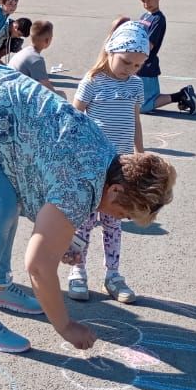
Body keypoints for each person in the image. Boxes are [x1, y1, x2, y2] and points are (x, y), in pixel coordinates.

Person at [0, 61, 177, 354]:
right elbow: (38, 266)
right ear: (116, 190)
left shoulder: (107, 158)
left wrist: (61, 242)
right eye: (124, 213)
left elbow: (49, 184)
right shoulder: (82, 187)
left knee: (7, 202)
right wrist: (65, 326)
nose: (118, 218)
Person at [63, 20, 150, 304]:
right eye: (126, 62)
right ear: (111, 51)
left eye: (137, 65)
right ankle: (78, 270)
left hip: (120, 168)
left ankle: (113, 274)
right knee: (85, 222)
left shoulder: (135, 86)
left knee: (114, 222)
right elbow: (74, 118)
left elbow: (134, 120)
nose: (130, 69)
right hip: (91, 167)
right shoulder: (93, 81)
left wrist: (140, 153)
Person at [135, 0, 196, 114]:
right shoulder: (144, 16)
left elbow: (149, 45)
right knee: (139, 102)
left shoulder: (158, 19)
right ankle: (181, 95)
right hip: (139, 65)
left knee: (143, 106)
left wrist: (136, 57)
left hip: (147, 66)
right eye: (144, 1)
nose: (147, 4)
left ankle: (181, 95)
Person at [9, 20, 63, 96]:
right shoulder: (36, 59)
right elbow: (48, 89)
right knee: (61, 96)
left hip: (11, 90)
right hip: (15, 96)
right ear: (47, 40)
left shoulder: (24, 51)